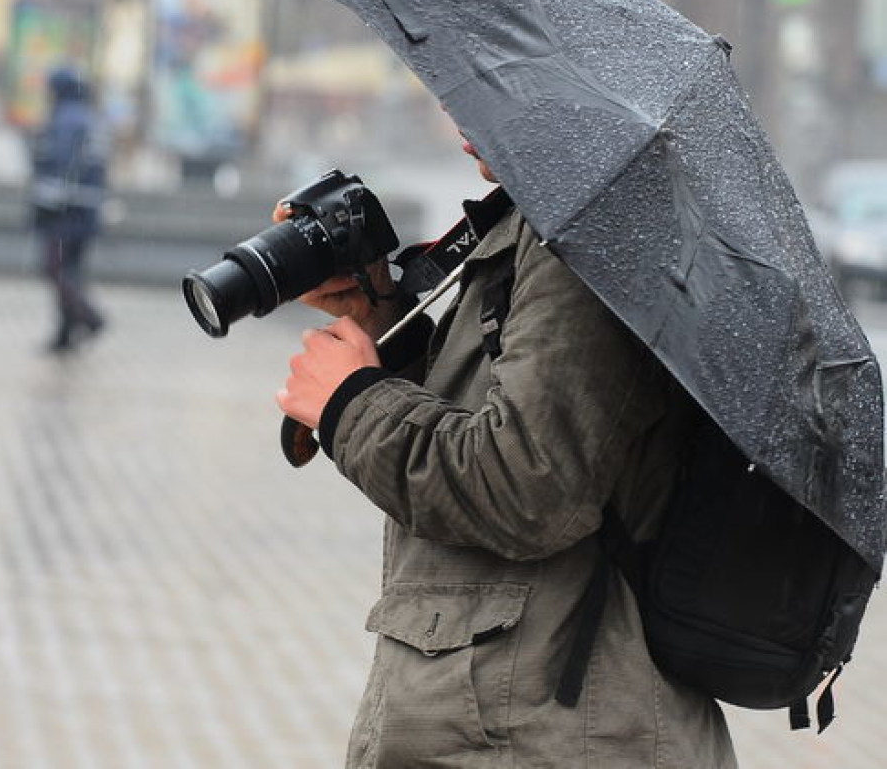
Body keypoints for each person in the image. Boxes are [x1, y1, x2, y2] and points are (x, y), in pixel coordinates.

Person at [274, 131, 737, 767]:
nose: (451, 114)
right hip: (510, 721)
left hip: (544, 733)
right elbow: (504, 422)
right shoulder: (544, 217)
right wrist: (380, 322)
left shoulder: (592, 237)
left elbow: (527, 485)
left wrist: (353, 402)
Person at [30, 67, 109, 353]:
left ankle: (89, 318)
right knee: (72, 271)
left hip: (64, 211)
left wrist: (46, 202)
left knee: (55, 269)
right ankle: (65, 334)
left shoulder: (64, 120)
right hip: (87, 209)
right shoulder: (90, 118)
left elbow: (60, 165)